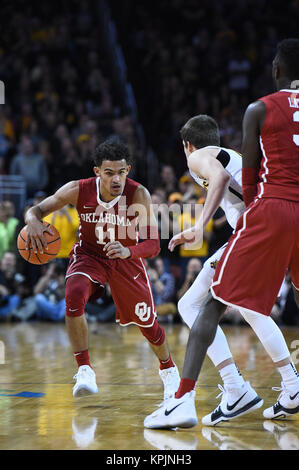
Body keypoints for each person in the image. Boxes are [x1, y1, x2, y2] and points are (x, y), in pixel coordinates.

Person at [144, 39, 299, 429]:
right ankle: (271, 387)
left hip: (262, 229)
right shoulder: (234, 150)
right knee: (244, 308)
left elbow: (222, 179)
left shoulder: (201, 156)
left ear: (188, 144)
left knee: (195, 306)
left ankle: (219, 391)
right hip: (279, 224)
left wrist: (197, 224)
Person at [24, 136, 180, 400]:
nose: (116, 179)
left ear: (127, 170)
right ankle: (84, 369)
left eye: (121, 172)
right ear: (97, 172)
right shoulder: (77, 189)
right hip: (90, 255)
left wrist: (128, 250)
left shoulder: (138, 194)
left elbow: (154, 245)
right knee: (73, 295)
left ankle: (169, 370)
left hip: (126, 260)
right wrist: (32, 221)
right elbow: (36, 210)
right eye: (109, 173)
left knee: (148, 324)